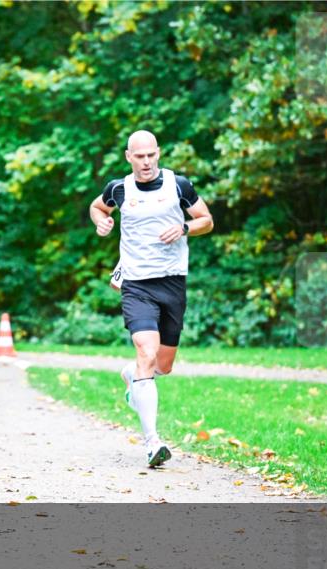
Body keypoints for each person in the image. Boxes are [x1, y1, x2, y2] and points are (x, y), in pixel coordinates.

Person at [88, 130, 214, 468]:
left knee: (163, 365)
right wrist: (102, 222)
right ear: (128, 157)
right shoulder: (119, 188)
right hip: (136, 284)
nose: (146, 162)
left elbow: (207, 219)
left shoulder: (179, 185)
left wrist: (186, 228)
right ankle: (152, 442)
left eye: (150, 155)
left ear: (158, 153)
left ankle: (133, 376)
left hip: (172, 283)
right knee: (146, 352)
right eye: (139, 156)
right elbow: (96, 207)